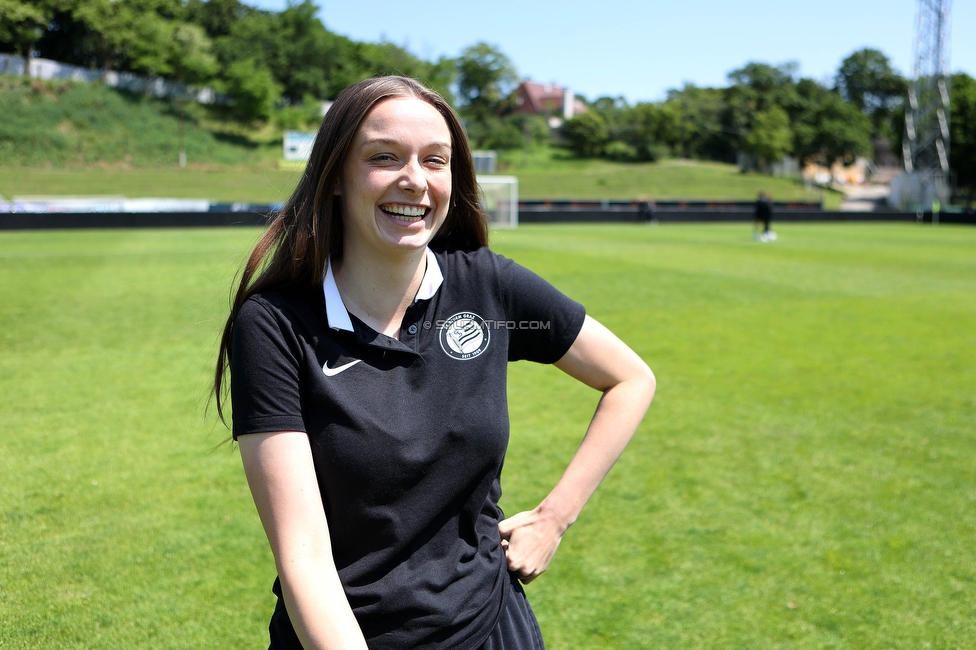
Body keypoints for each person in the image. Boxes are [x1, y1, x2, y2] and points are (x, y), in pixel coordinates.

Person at [213, 76, 655, 650]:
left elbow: (630, 378)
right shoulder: (275, 325)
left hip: (493, 627)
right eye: (383, 157)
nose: (414, 181)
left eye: (435, 160)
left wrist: (554, 517)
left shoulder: (488, 289)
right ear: (336, 176)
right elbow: (306, 564)